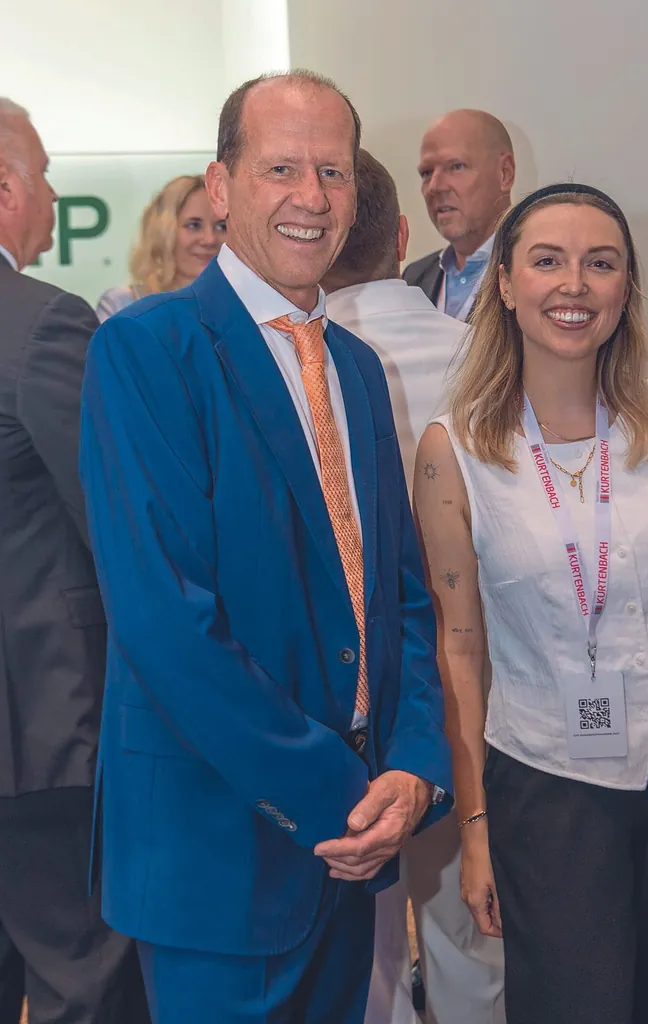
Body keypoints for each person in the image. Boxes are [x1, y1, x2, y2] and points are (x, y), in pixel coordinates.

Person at [79, 70, 452, 1024]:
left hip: (350, 846)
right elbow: (165, 622)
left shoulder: (359, 372)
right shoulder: (145, 352)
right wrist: (340, 794)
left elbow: (402, 597)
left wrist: (412, 769)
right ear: (220, 184)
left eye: (332, 172)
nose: (312, 198)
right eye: (281, 167)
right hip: (221, 855)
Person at [412, 182, 648, 1024]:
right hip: (550, 789)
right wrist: (475, 829)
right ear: (506, 285)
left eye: (601, 264)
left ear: (625, 289)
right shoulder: (455, 453)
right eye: (548, 261)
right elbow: (460, 649)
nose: (574, 286)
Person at [323, 150, 504, 1024]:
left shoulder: (300, 359)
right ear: (402, 235)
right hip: (484, 669)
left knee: (361, 943)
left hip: (350, 679)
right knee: (473, 928)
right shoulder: (481, 354)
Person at [0, 98, 147, 1024]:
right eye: (45, 173)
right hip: (46, 728)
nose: (53, 196)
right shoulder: (41, 325)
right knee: (83, 981)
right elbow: (118, 522)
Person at [402, 110, 514, 321]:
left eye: (456, 167)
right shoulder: (414, 278)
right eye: (426, 173)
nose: (435, 187)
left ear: (505, 173)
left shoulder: (534, 273)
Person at [96, 174, 226, 321]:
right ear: (163, 232)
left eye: (222, 227)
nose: (209, 239)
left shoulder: (247, 305)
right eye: (194, 225)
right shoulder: (121, 304)